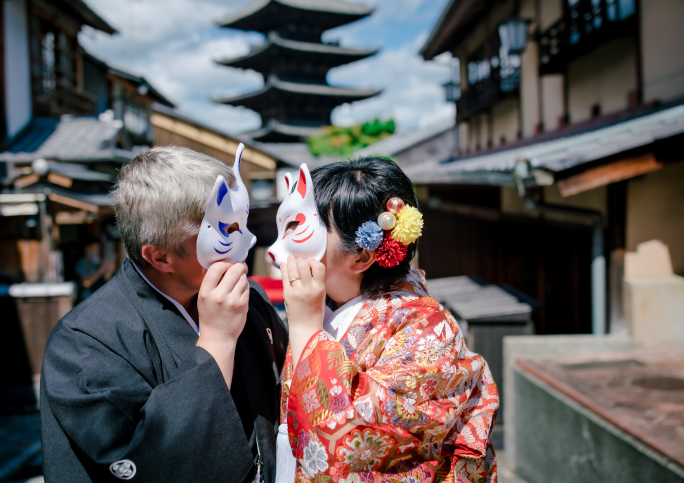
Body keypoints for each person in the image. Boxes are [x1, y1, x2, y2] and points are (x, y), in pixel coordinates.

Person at [40, 146, 289, 483]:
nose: (248, 240)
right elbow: (143, 464)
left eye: (242, 224)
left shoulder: (251, 299)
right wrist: (216, 341)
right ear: (159, 257)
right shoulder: (84, 342)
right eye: (228, 230)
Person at [275, 157, 499, 482]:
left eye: (301, 229)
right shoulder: (321, 303)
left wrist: (307, 332)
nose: (277, 249)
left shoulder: (428, 328)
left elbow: (355, 445)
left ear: (362, 256)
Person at [75, 236, 115, 301]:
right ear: (87, 249)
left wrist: (109, 270)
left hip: (101, 298)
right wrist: (102, 269)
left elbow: (107, 279)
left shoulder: (99, 262)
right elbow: (86, 283)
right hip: (87, 300)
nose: (96, 252)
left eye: (98, 250)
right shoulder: (81, 264)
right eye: (95, 249)